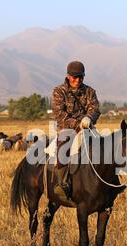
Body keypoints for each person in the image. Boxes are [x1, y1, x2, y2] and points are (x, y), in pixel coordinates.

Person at [51, 61, 101, 201]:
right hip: (67, 130)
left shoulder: (90, 91)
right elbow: (59, 114)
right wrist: (78, 124)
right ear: (68, 76)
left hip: (88, 128)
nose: (78, 80)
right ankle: (63, 184)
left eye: (81, 77)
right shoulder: (59, 91)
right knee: (63, 151)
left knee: (106, 149)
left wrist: (89, 118)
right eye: (75, 77)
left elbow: (95, 109)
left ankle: (110, 182)